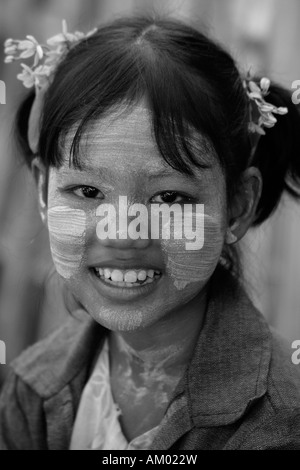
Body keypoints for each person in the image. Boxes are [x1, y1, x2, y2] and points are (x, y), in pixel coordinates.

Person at [1, 15, 300, 451]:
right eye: (87, 191)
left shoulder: (284, 424)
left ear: (237, 205)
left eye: (170, 198)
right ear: (44, 192)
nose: (123, 234)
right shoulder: (27, 389)